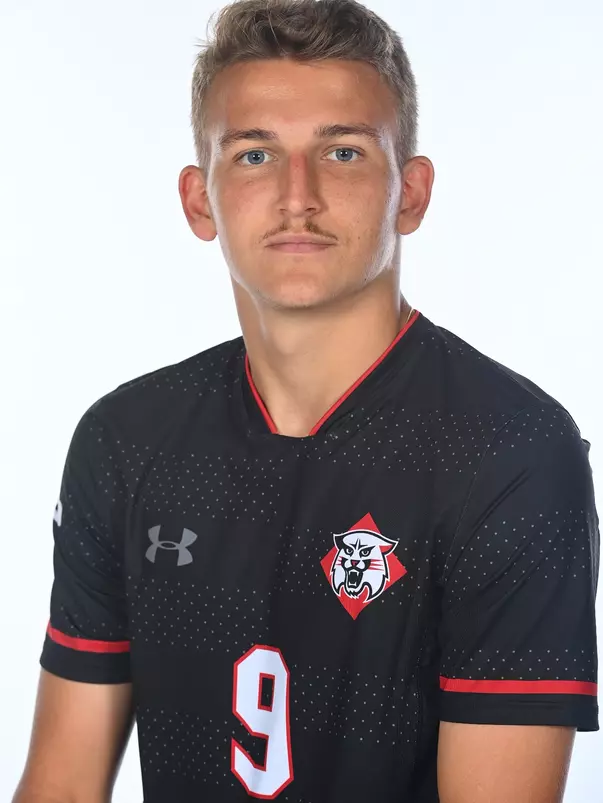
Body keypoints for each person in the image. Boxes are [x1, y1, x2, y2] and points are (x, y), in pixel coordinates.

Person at [13, 0, 599, 801]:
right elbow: (63, 786)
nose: (299, 195)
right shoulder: (126, 438)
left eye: (345, 152)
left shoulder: (508, 452)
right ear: (198, 200)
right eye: (254, 154)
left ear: (410, 193)